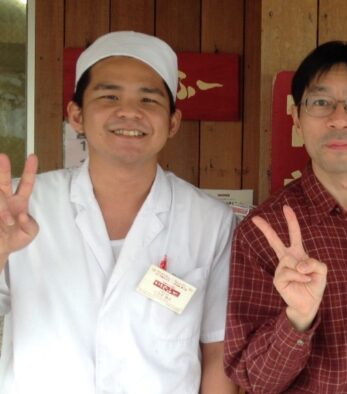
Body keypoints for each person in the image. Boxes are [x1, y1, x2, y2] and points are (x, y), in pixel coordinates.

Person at [0, 31, 237, 393]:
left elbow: (217, 349)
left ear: (172, 123)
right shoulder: (22, 208)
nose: (130, 112)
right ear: (76, 115)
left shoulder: (210, 221)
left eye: (149, 99)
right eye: (109, 96)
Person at [224, 41, 347, 393]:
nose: (339, 118)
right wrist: (297, 320)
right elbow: (252, 377)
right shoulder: (263, 232)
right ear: (297, 119)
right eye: (320, 102)